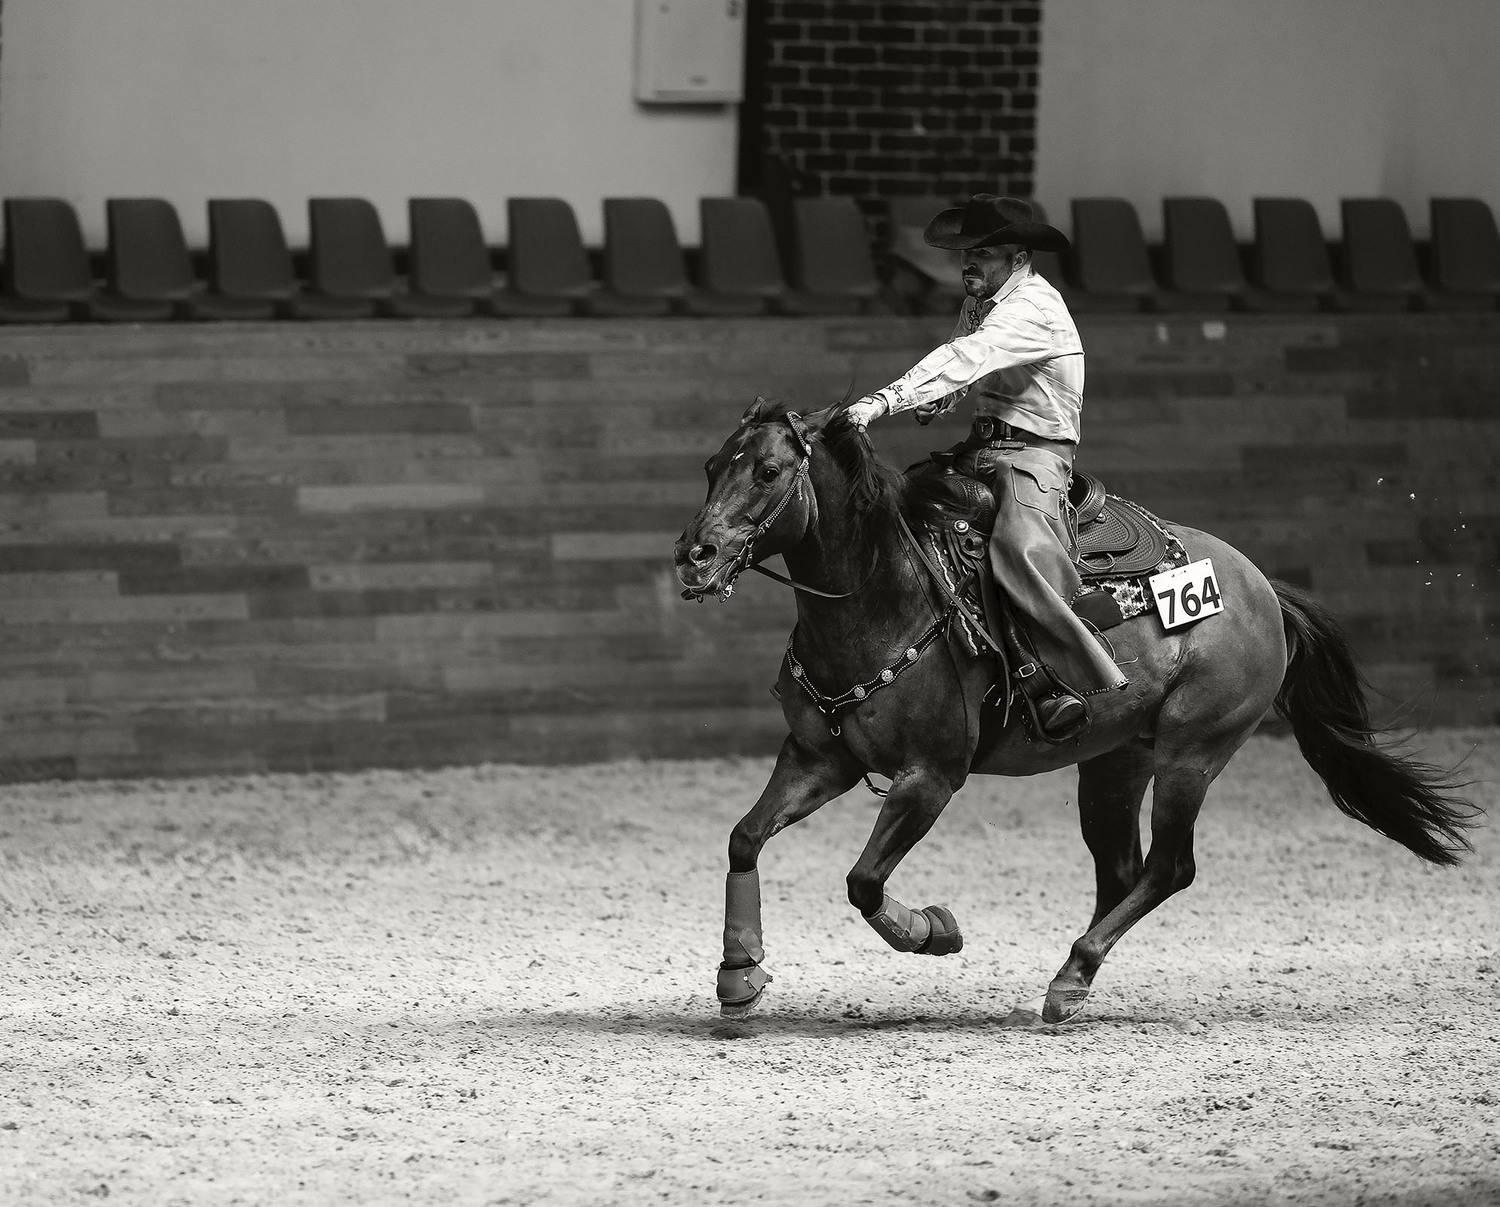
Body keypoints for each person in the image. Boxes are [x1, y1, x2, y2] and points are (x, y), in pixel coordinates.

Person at [845, 194, 1126, 739]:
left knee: (1018, 548)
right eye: (967, 254)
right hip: (983, 449)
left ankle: (1052, 679)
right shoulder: (986, 300)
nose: (969, 264)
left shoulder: (1033, 309)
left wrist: (882, 402)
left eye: (985, 253)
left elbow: (964, 359)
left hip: (1036, 457)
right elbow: (967, 360)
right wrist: (941, 401)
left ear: (1018, 257)